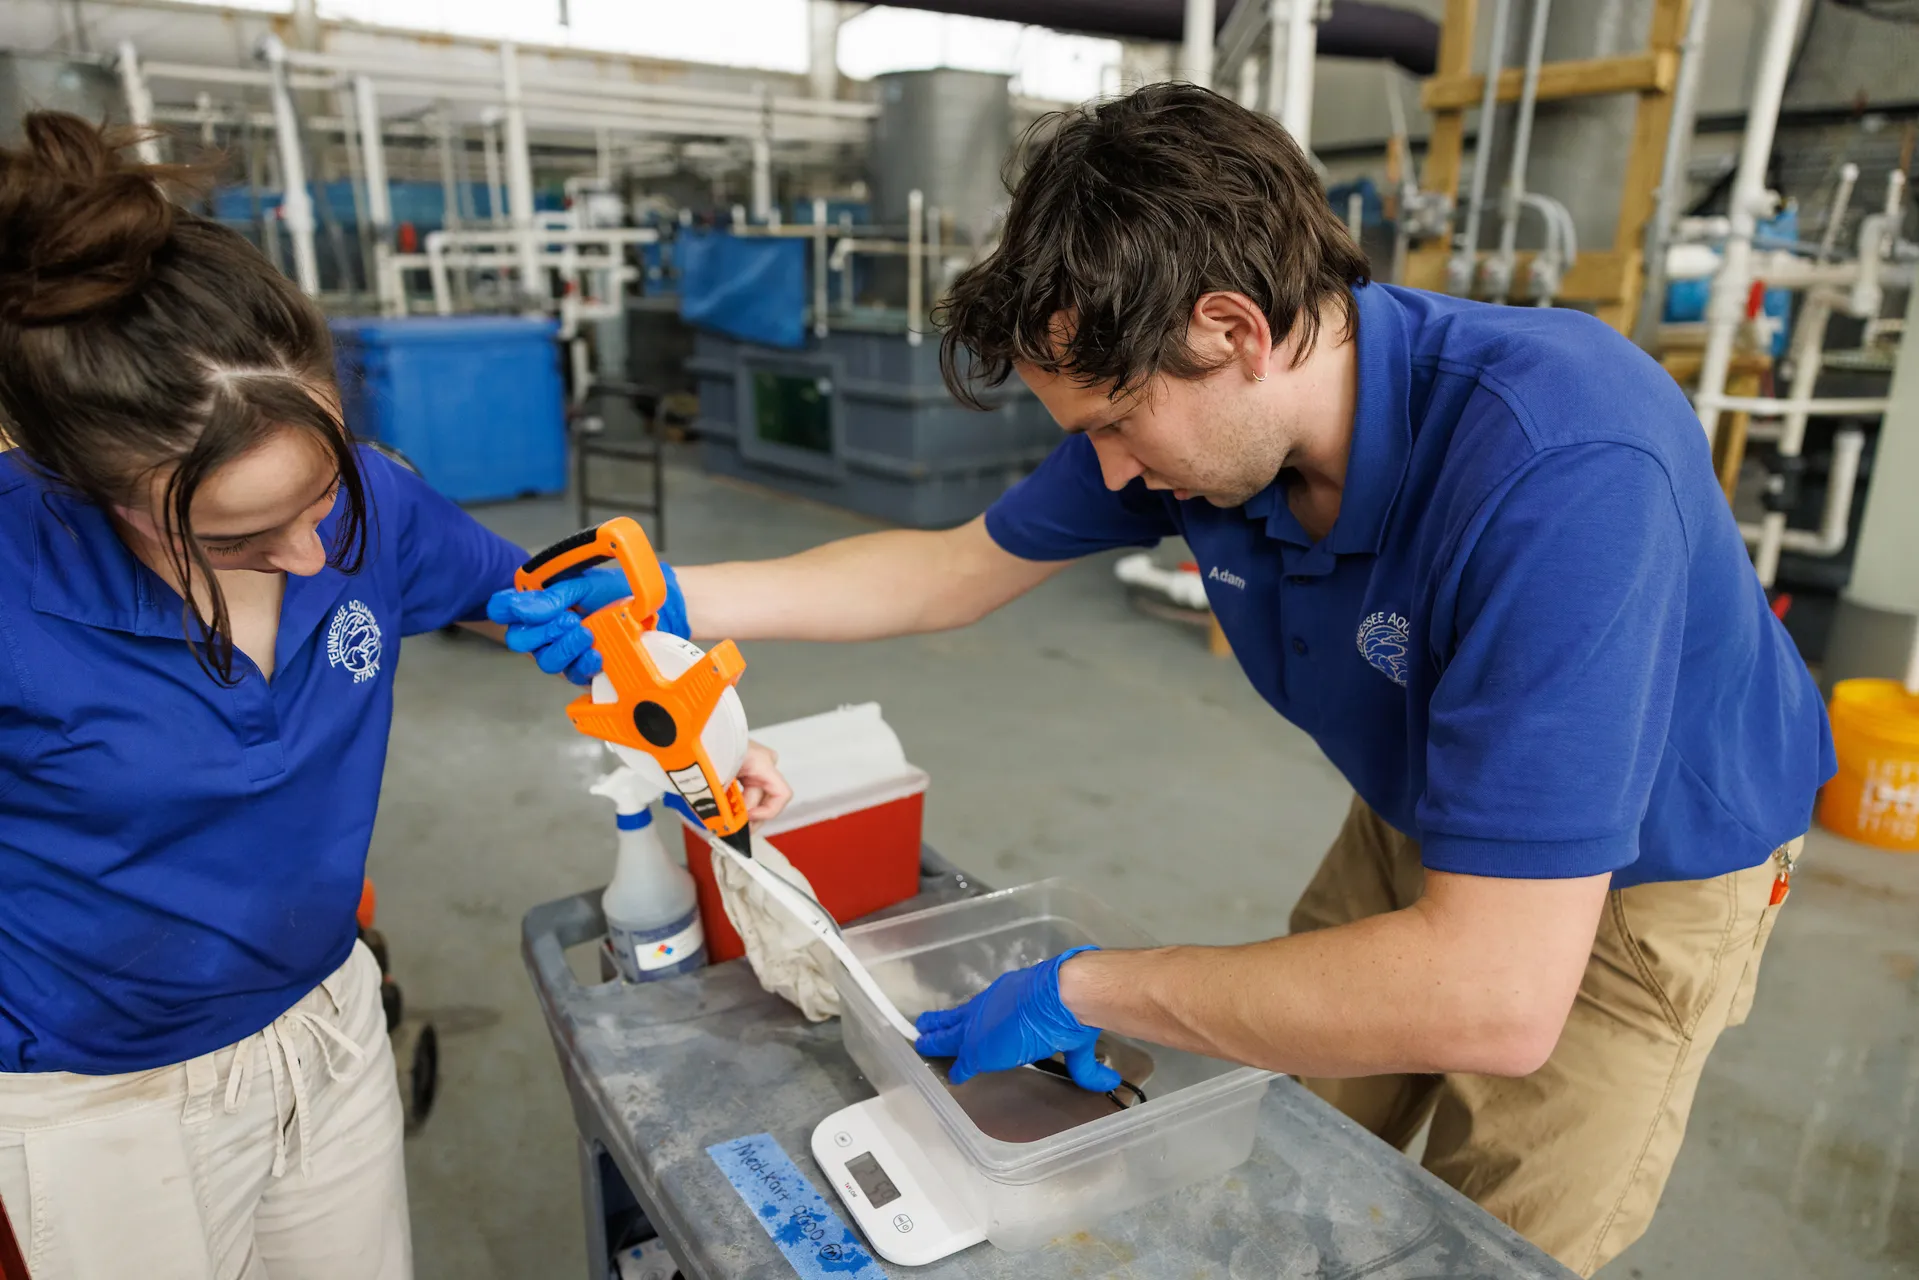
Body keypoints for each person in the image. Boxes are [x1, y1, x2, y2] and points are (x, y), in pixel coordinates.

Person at [502, 85, 1834, 1275]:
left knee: (1490, 1243)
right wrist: (672, 597)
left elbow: (1490, 991)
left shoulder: (1559, 463)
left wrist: (1090, 986)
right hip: (1422, 806)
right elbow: (951, 569)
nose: (1116, 475)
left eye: (1116, 426)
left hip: (1646, 886)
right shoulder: (1198, 418)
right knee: (1294, 1161)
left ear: (1231, 327)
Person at [0, 114, 788, 1279]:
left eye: (320, 494)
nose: (317, 554)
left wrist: (693, 719)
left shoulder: (371, 504)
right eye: (239, 534)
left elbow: (511, 591)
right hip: (102, 1092)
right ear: (83, 484)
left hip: (328, 1017)